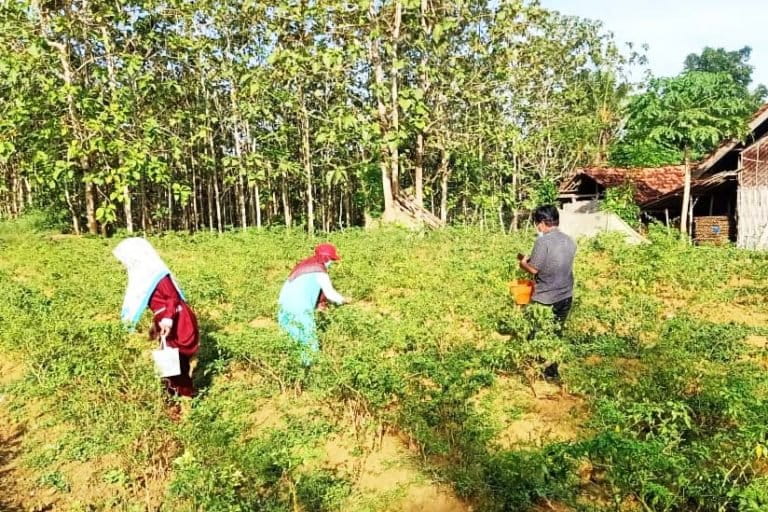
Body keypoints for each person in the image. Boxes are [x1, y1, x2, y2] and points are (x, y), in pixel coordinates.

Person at [113, 238, 200, 399]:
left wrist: (167, 320)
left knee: (175, 363)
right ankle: (177, 398)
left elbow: (172, 298)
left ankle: (184, 399)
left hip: (178, 321)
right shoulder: (145, 275)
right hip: (168, 321)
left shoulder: (157, 274)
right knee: (170, 364)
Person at [278, 243, 349, 366]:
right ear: (327, 258)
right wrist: (344, 300)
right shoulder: (319, 271)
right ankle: (310, 370)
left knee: (290, 337)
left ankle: (289, 368)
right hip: (300, 307)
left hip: (283, 306)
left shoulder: (302, 266)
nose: (331, 263)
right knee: (307, 340)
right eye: (331, 260)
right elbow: (330, 293)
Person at [518, 205, 576, 325]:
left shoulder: (542, 241)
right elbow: (555, 261)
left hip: (546, 298)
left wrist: (523, 263)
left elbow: (533, 269)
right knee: (556, 331)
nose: (538, 227)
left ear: (543, 222)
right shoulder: (569, 240)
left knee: (538, 334)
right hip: (566, 296)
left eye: (537, 223)